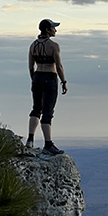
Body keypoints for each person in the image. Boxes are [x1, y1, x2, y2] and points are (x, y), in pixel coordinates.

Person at [26, 18, 68, 155]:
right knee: (48, 111)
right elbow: (59, 65)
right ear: (47, 30)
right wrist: (64, 81)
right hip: (50, 78)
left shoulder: (33, 45)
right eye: (53, 28)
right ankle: (48, 144)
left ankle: (30, 139)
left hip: (37, 76)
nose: (55, 30)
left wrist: (34, 79)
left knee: (36, 108)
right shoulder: (54, 46)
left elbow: (31, 66)